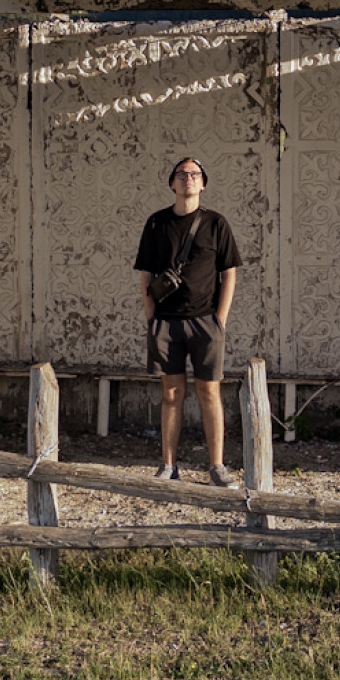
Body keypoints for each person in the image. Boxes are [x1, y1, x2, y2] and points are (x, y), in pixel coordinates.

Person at [134, 156, 242, 484]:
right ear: (172, 183)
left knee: (209, 391)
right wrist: (151, 317)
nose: (188, 179)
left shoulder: (216, 223)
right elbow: (146, 274)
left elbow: (229, 274)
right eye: (182, 174)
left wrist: (219, 320)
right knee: (171, 393)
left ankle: (216, 467)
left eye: (195, 174)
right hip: (166, 322)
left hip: (205, 321)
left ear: (203, 183)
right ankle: (168, 465)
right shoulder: (156, 223)